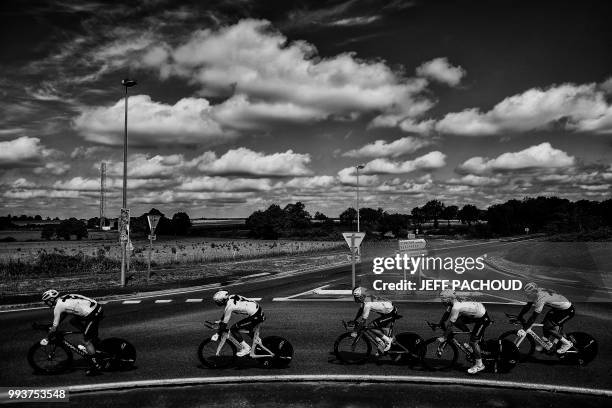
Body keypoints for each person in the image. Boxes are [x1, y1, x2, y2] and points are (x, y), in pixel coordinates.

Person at [42, 289, 104, 376]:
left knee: (86, 341)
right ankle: (91, 336)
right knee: (73, 321)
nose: (46, 303)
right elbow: (64, 314)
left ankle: (96, 367)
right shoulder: (63, 298)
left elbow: (54, 328)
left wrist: (47, 338)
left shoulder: (58, 307)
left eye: (46, 301)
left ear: (51, 299)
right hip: (96, 307)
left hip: (93, 313)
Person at [438, 289, 490, 374]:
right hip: (477, 311)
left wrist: (444, 337)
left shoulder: (456, 307)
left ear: (448, 299)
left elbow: (450, 324)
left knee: (473, 342)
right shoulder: (453, 301)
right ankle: (472, 335)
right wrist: (440, 323)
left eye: (443, 299)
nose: (442, 301)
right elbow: (446, 313)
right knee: (458, 321)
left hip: (482, 318)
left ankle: (479, 365)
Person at [518, 282, 575, 354]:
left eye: (528, 294)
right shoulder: (536, 291)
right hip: (558, 308)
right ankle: (547, 343)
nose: (527, 295)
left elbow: (534, 317)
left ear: (533, 292)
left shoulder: (540, 298)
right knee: (545, 323)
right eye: (526, 293)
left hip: (567, 311)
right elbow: (528, 306)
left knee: (548, 327)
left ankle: (567, 343)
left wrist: (524, 329)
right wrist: (519, 316)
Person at [211, 290, 265, 357]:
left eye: (217, 301)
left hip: (256, 315)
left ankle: (246, 348)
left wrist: (218, 334)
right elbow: (226, 313)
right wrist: (220, 320)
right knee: (247, 328)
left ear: (222, 300)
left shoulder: (229, 306)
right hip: (257, 310)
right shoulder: (231, 297)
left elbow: (224, 324)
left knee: (234, 329)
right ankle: (259, 342)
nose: (216, 303)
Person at [352, 286, 399, 354]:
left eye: (356, 297)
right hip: (389, 310)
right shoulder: (366, 297)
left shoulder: (367, 304)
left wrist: (356, 331)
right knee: (380, 334)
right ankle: (385, 345)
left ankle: (388, 341)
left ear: (361, 297)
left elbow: (363, 321)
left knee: (371, 326)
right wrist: (354, 320)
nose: (355, 299)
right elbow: (361, 310)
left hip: (390, 313)